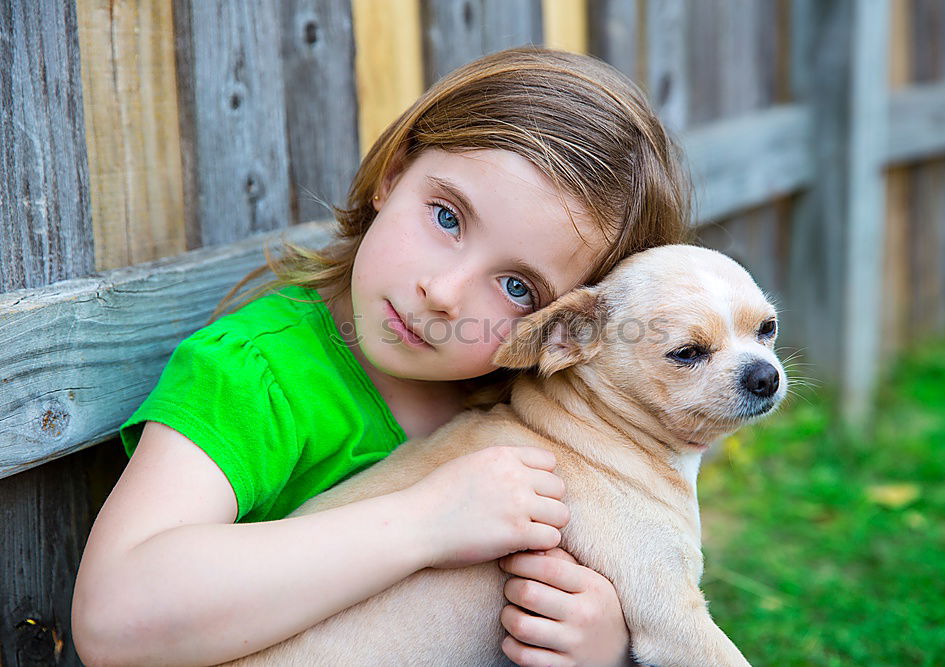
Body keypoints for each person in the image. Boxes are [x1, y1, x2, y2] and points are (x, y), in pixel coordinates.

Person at [72, 47, 691, 666]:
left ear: (568, 331)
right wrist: (427, 521)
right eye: (447, 216)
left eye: (517, 288)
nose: (444, 294)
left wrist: (605, 642)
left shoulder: (536, 405)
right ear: (394, 173)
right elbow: (114, 619)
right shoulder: (256, 375)